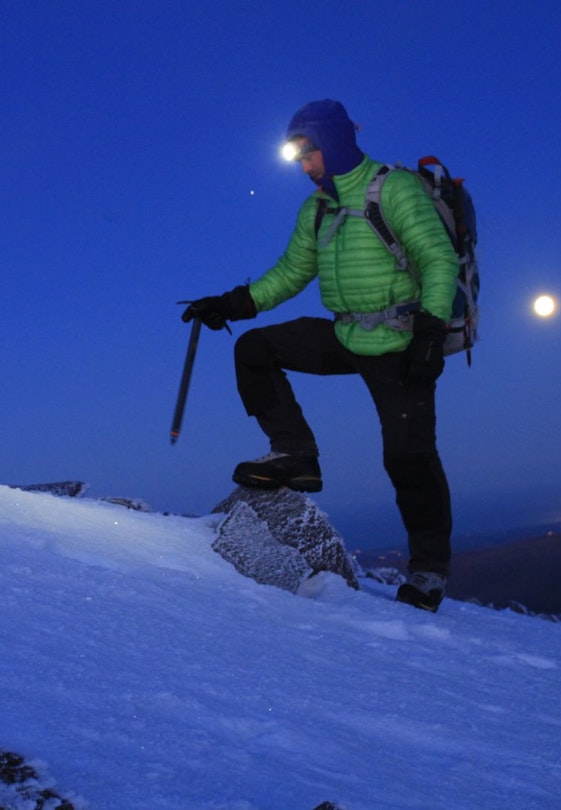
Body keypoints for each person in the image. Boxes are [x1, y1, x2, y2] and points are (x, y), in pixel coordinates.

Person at [181, 99, 457, 612]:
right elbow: (289, 274)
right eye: (298, 158)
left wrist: (430, 332)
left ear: (332, 143)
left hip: (402, 341)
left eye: (307, 155)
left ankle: (428, 572)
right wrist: (230, 304)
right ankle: (295, 454)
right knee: (256, 348)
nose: (304, 167)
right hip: (348, 333)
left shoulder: (392, 188)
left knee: (408, 457)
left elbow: (437, 257)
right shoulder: (318, 208)